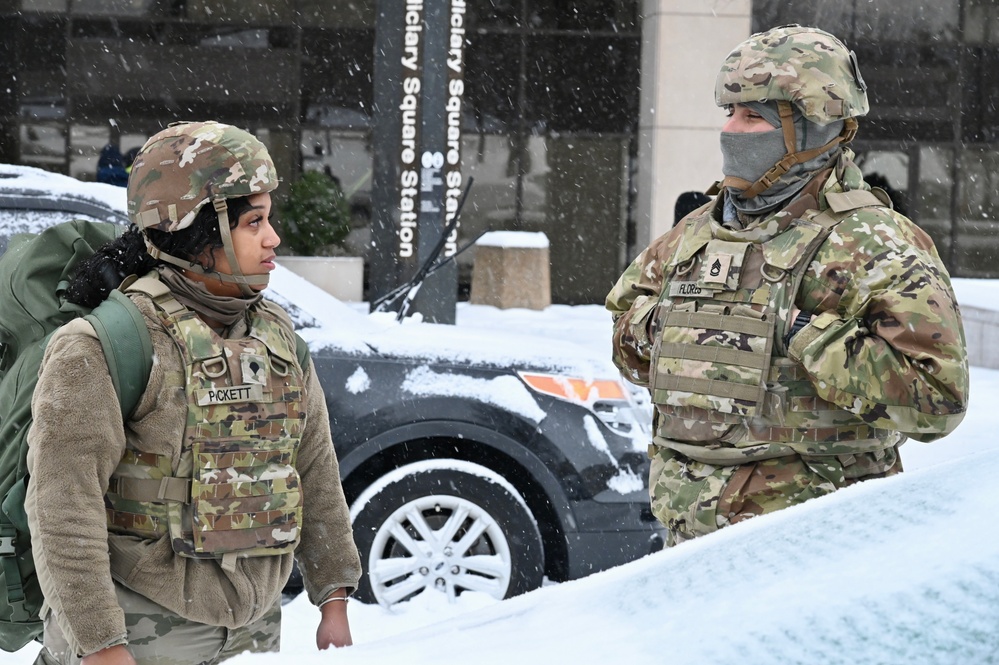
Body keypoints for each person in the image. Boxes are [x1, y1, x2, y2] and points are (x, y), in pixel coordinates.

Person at [605, 25, 969, 548]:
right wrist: (671, 328)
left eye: (752, 116)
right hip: (686, 545)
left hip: (813, 548)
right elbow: (624, 332)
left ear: (815, 128)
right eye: (729, 113)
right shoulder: (698, 230)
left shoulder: (873, 243)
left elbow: (939, 401)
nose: (731, 130)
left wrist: (797, 333)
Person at [26, 121, 361, 664]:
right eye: (255, 222)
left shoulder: (276, 336)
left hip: (250, 638)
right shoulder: (105, 346)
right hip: (135, 639)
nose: (273, 238)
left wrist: (334, 593)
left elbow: (313, 467)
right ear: (197, 235)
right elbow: (62, 509)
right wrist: (101, 646)